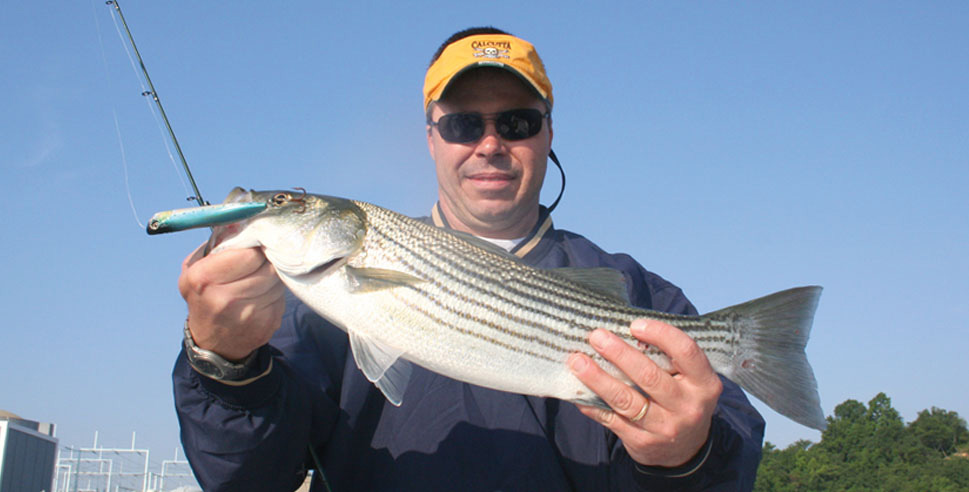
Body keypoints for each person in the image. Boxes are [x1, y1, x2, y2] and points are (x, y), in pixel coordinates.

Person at [173, 27, 765, 491]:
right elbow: (243, 478)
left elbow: (729, 467)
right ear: (429, 136)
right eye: (461, 123)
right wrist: (222, 363)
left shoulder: (642, 294)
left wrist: (687, 456)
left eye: (516, 122)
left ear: (549, 134)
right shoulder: (308, 311)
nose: (489, 143)